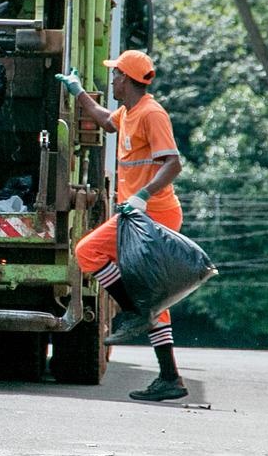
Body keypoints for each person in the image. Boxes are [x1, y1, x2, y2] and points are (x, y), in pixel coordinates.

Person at [56, 49, 187, 402]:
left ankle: (133, 313)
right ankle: (169, 376)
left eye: (115, 75)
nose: (112, 79)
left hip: (152, 214)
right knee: (154, 299)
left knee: (87, 250)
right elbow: (103, 119)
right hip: (138, 215)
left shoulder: (152, 114)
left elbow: (173, 164)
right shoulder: (129, 112)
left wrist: (142, 195)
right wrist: (77, 91)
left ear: (127, 80)